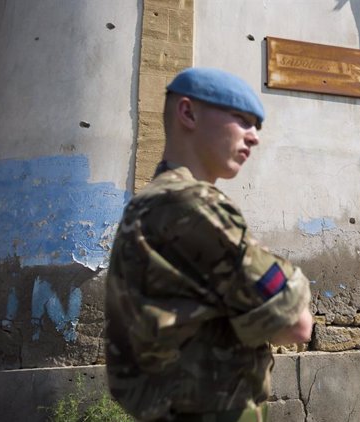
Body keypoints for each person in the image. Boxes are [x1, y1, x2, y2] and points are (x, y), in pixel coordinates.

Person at [105, 67, 313, 422]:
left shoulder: (152, 202)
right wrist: (291, 279)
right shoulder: (190, 204)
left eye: (257, 127)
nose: (254, 137)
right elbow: (297, 325)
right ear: (188, 113)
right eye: (242, 120)